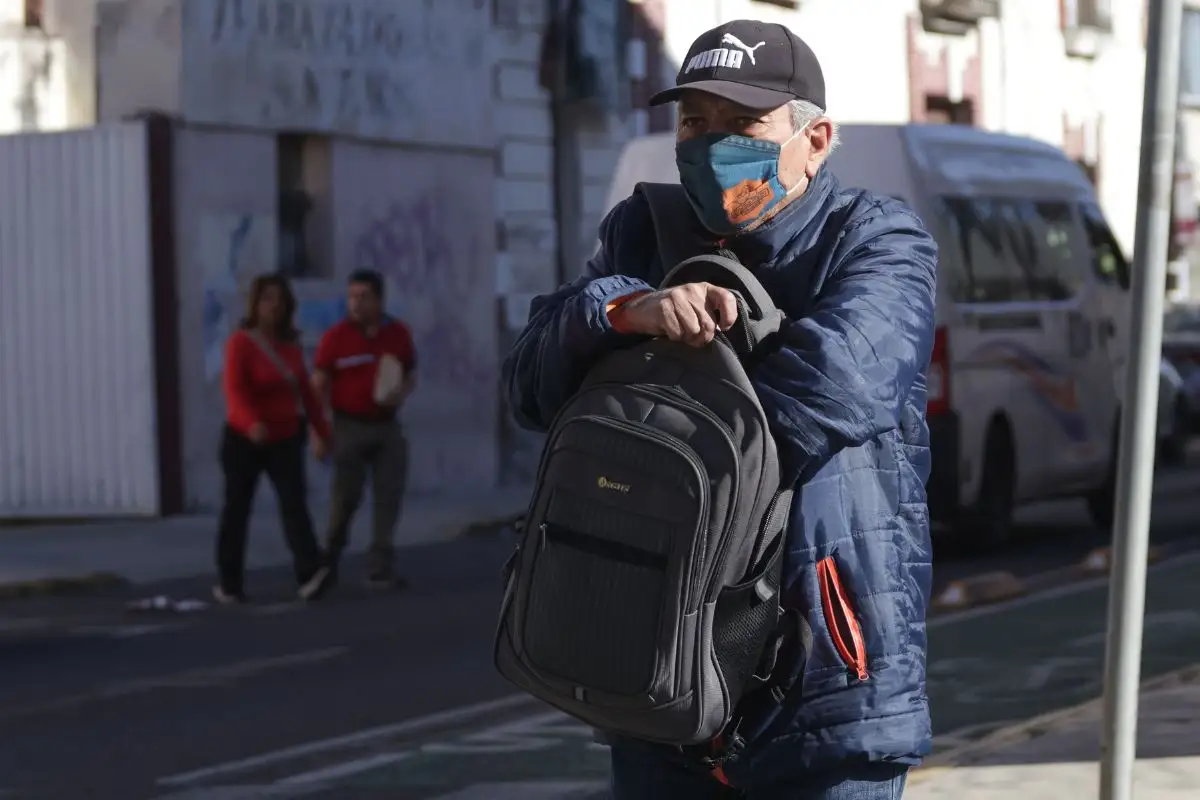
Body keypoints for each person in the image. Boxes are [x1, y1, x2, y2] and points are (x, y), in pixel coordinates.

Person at [502, 19, 936, 800]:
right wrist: (621, 311)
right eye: (694, 123)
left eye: (743, 125)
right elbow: (531, 387)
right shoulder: (641, 232)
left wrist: (654, 400)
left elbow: (827, 394)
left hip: (821, 691)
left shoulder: (877, 241)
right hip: (655, 674)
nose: (712, 145)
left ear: (815, 140)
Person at [216, 273, 333, 604]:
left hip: (285, 436)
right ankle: (229, 582)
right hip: (244, 439)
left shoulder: (290, 346)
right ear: (255, 304)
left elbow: (307, 393)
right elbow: (234, 392)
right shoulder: (240, 343)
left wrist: (322, 431)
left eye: (280, 300)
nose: (274, 306)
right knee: (237, 509)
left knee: (294, 504)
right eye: (267, 299)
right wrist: (252, 423)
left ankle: (310, 572)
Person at [312, 269, 417, 588]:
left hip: (386, 426)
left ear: (379, 300)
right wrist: (318, 432)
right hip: (348, 427)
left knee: (389, 496)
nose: (356, 303)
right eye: (352, 296)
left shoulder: (397, 334)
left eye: (364, 297)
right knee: (345, 498)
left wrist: (399, 393)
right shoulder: (335, 338)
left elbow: (410, 374)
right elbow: (318, 386)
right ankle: (328, 560)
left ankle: (380, 564)